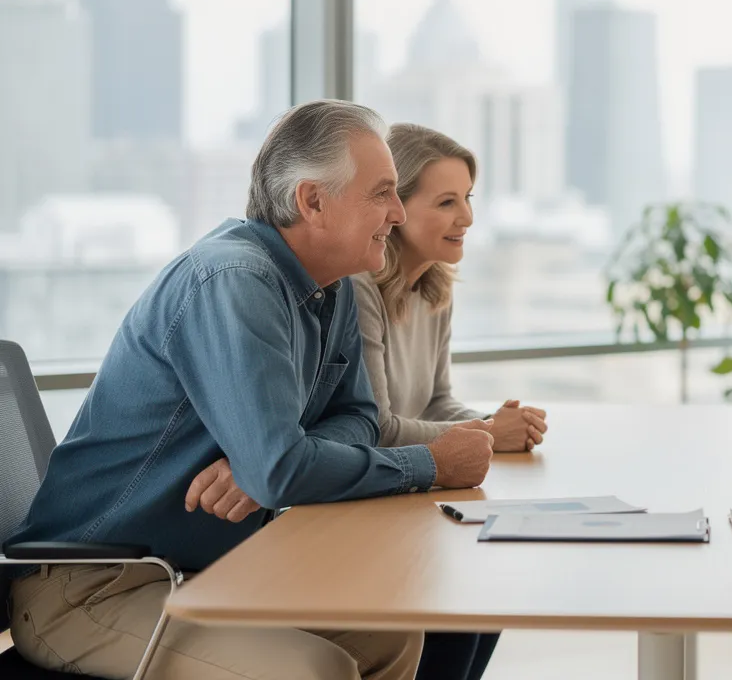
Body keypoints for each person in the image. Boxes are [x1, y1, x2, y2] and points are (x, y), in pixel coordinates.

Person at [5, 100, 495, 680]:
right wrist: (430, 465)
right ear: (312, 201)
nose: (396, 211)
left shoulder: (330, 285)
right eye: (382, 192)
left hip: (204, 570)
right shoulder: (236, 280)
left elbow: (358, 418)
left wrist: (264, 463)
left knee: (389, 632)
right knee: (314, 668)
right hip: (96, 588)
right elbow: (281, 470)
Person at [351, 123, 549, 680]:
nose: (466, 217)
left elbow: (438, 401)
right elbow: (381, 428)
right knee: (466, 593)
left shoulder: (433, 287)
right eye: (445, 201)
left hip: (411, 498)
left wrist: (503, 423)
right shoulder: (359, 291)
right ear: (396, 207)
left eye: (467, 200)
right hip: (369, 505)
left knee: (489, 587)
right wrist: (488, 433)